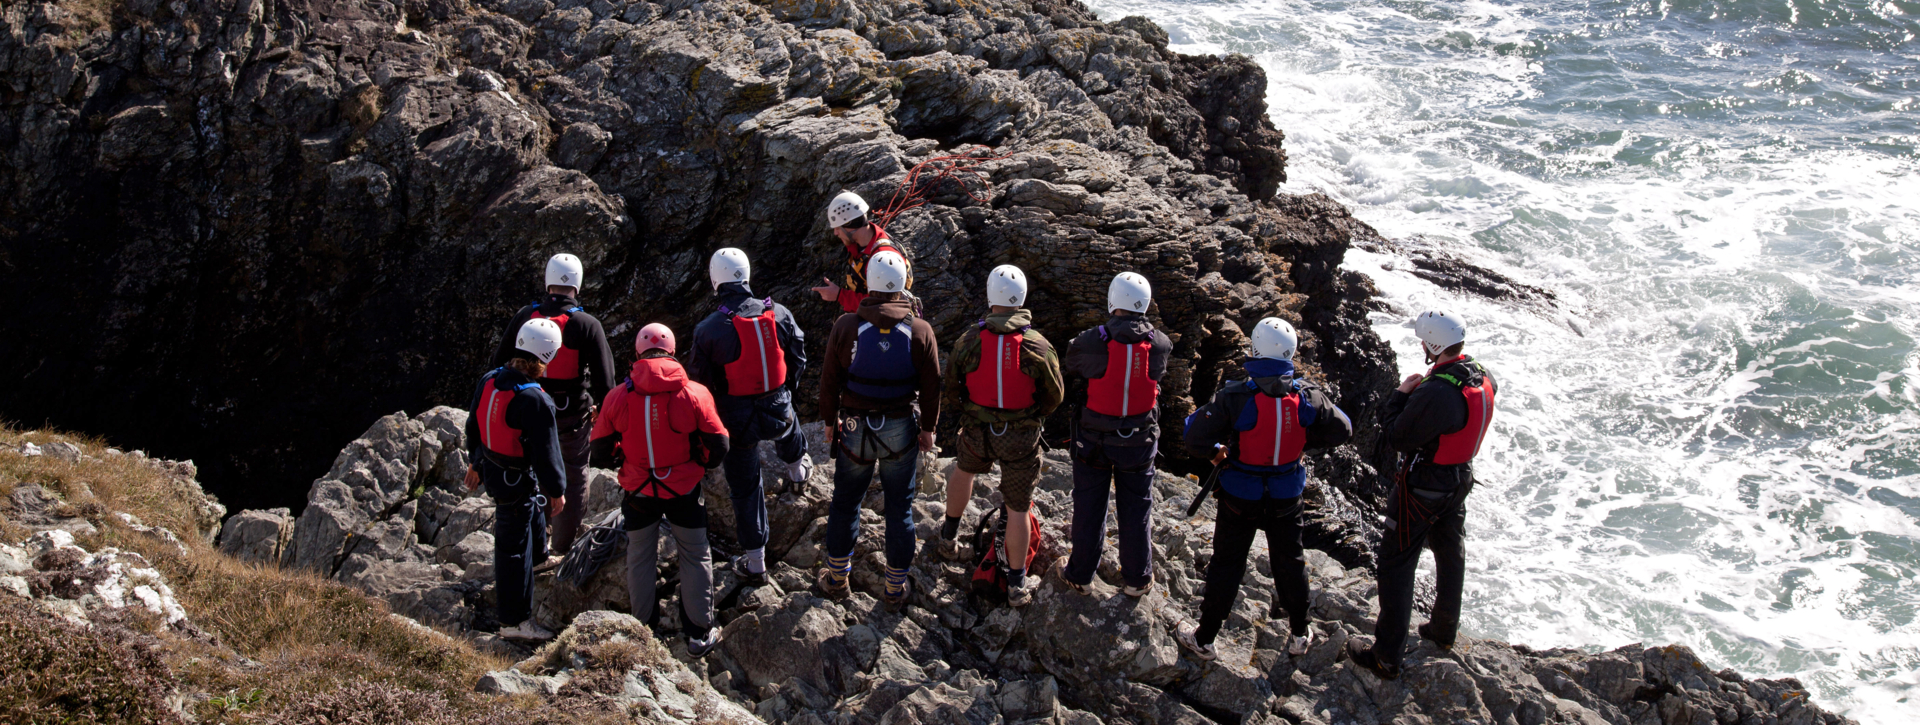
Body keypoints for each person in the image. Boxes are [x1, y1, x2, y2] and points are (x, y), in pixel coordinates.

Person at [1175, 318, 1352, 660]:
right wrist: (1303, 440)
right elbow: (1342, 430)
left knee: (1227, 563)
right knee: (1291, 561)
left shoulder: (1236, 396)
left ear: (1256, 348)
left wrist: (1216, 452)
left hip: (1241, 495)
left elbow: (1194, 437)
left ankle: (1205, 638)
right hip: (1287, 494)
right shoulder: (1307, 395)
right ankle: (1300, 633)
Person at [1348, 310, 1497, 679]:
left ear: (1432, 344)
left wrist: (1399, 396)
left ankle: (1386, 657)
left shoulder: (1436, 392)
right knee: (1450, 550)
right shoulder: (1481, 375)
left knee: (1396, 563)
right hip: (1459, 479)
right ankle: (1444, 630)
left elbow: (1398, 435)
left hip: (1424, 487)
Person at [588, 323, 730, 656]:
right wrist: (699, 461)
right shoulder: (694, 392)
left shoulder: (618, 396)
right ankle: (698, 634)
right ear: (671, 352)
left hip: (638, 490)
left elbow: (599, 452)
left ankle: (643, 634)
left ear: (638, 353)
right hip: (683, 487)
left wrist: (624, 460)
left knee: (639, 557)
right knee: (694, 555)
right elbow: (719, 444)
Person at [816, 251, 941, 610]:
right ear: (903, 283)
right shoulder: (920, 330)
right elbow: (932, 386)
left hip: (855, 426)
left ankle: (838, 578)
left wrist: (828, 422)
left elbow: (829, 381)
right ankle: (893, 589)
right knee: (899, 507)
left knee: (845, 501)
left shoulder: (845, 325)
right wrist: (929, 429)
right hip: (901, 429)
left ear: (869, 282)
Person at [935, 265, 1065, 606]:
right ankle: (1017, 583)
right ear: (1021, 298)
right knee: (1018, 508)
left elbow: (952, 387)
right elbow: (1055, 396)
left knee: (963, 471)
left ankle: (948, 537)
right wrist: (1030, 416)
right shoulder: (1038, 345)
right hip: (1020, 437)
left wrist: (972, 412)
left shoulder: (968, 339)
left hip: (977, 431)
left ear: (991, 296)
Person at [688, 248, 813, 586]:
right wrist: (786, 391)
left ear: (716, 280)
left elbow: (699, 384)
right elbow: (798, 357)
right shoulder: (780, 313)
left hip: (736, 421)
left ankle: (755, 562)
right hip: (777, 410)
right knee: (788, 423)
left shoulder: (708, 329)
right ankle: (797, 470)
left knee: (745, 488)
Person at [489, 253, 616, 567]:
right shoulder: (587, 324)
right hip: (571, 415)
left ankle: (534, 541)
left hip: (527, 412)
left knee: (531, 474)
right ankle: (561, 546)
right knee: (572, 479)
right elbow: (605, 380)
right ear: (577, 283)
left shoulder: (525, 316)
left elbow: (497, 363)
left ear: (549, 281)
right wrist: (608, 420)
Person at [1057, 272, 1172, 597]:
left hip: (1094, 440)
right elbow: (1156, 371)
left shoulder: (1093, 340)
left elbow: (1074, 361)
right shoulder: (1160, 344)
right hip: (1139, 441)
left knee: (1089, 505)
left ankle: (1080, 574)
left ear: (1113, 300)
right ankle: (1137, 579)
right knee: (1137, 509)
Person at [463, 318, 569, 642]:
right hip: (515, 480)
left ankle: (539, 559)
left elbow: (474, 426)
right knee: (511, 546)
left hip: (495, 469)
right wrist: (558, 491)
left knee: (531, 512)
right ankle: (514, 622)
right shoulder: (535, 399)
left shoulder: (490, 379)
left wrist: (476, 463)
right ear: (546, 356)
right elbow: (547, 454)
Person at [810, 191, 909, 313]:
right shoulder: (860, 243)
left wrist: (840, 296)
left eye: (837, 228)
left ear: (850, 225)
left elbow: (884, 305)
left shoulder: (883, 258)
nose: (835, 233)